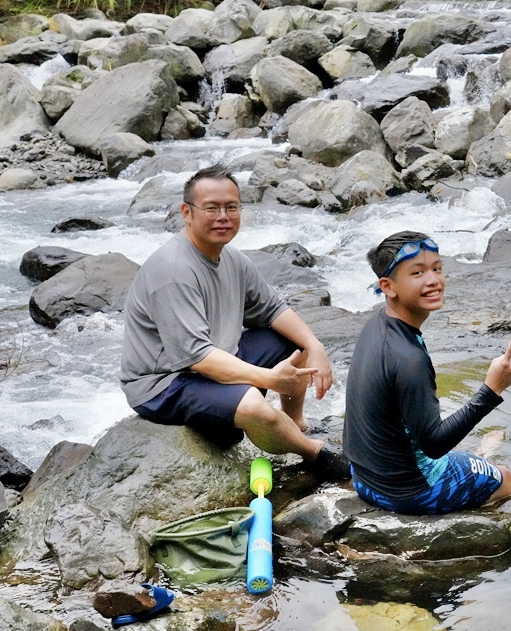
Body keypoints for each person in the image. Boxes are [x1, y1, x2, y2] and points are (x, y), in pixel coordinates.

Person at [120, 164, 350, 480]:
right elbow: (197, 357)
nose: (223, 216)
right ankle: (312, 452)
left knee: (293, 341)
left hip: (214, 362)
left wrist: (314, 345)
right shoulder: (173, 270)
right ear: (187, 212)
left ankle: (294, 422)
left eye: (232, 207)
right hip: (164, 384)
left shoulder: (231, 258)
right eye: (211, 208)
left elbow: (273, 310)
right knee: (255, 406)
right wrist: (269, 379)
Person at [343, 230, 511, 514]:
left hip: (364, 480)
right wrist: (492, 389)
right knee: (504, 477)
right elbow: (435, 444)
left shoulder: (376, 325)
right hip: (409, 494)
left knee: (461, 458)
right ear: (388, 286)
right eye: (417, 273)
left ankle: (479, 459)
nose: (433, 280)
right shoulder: (408, 358)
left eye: (437, 269)